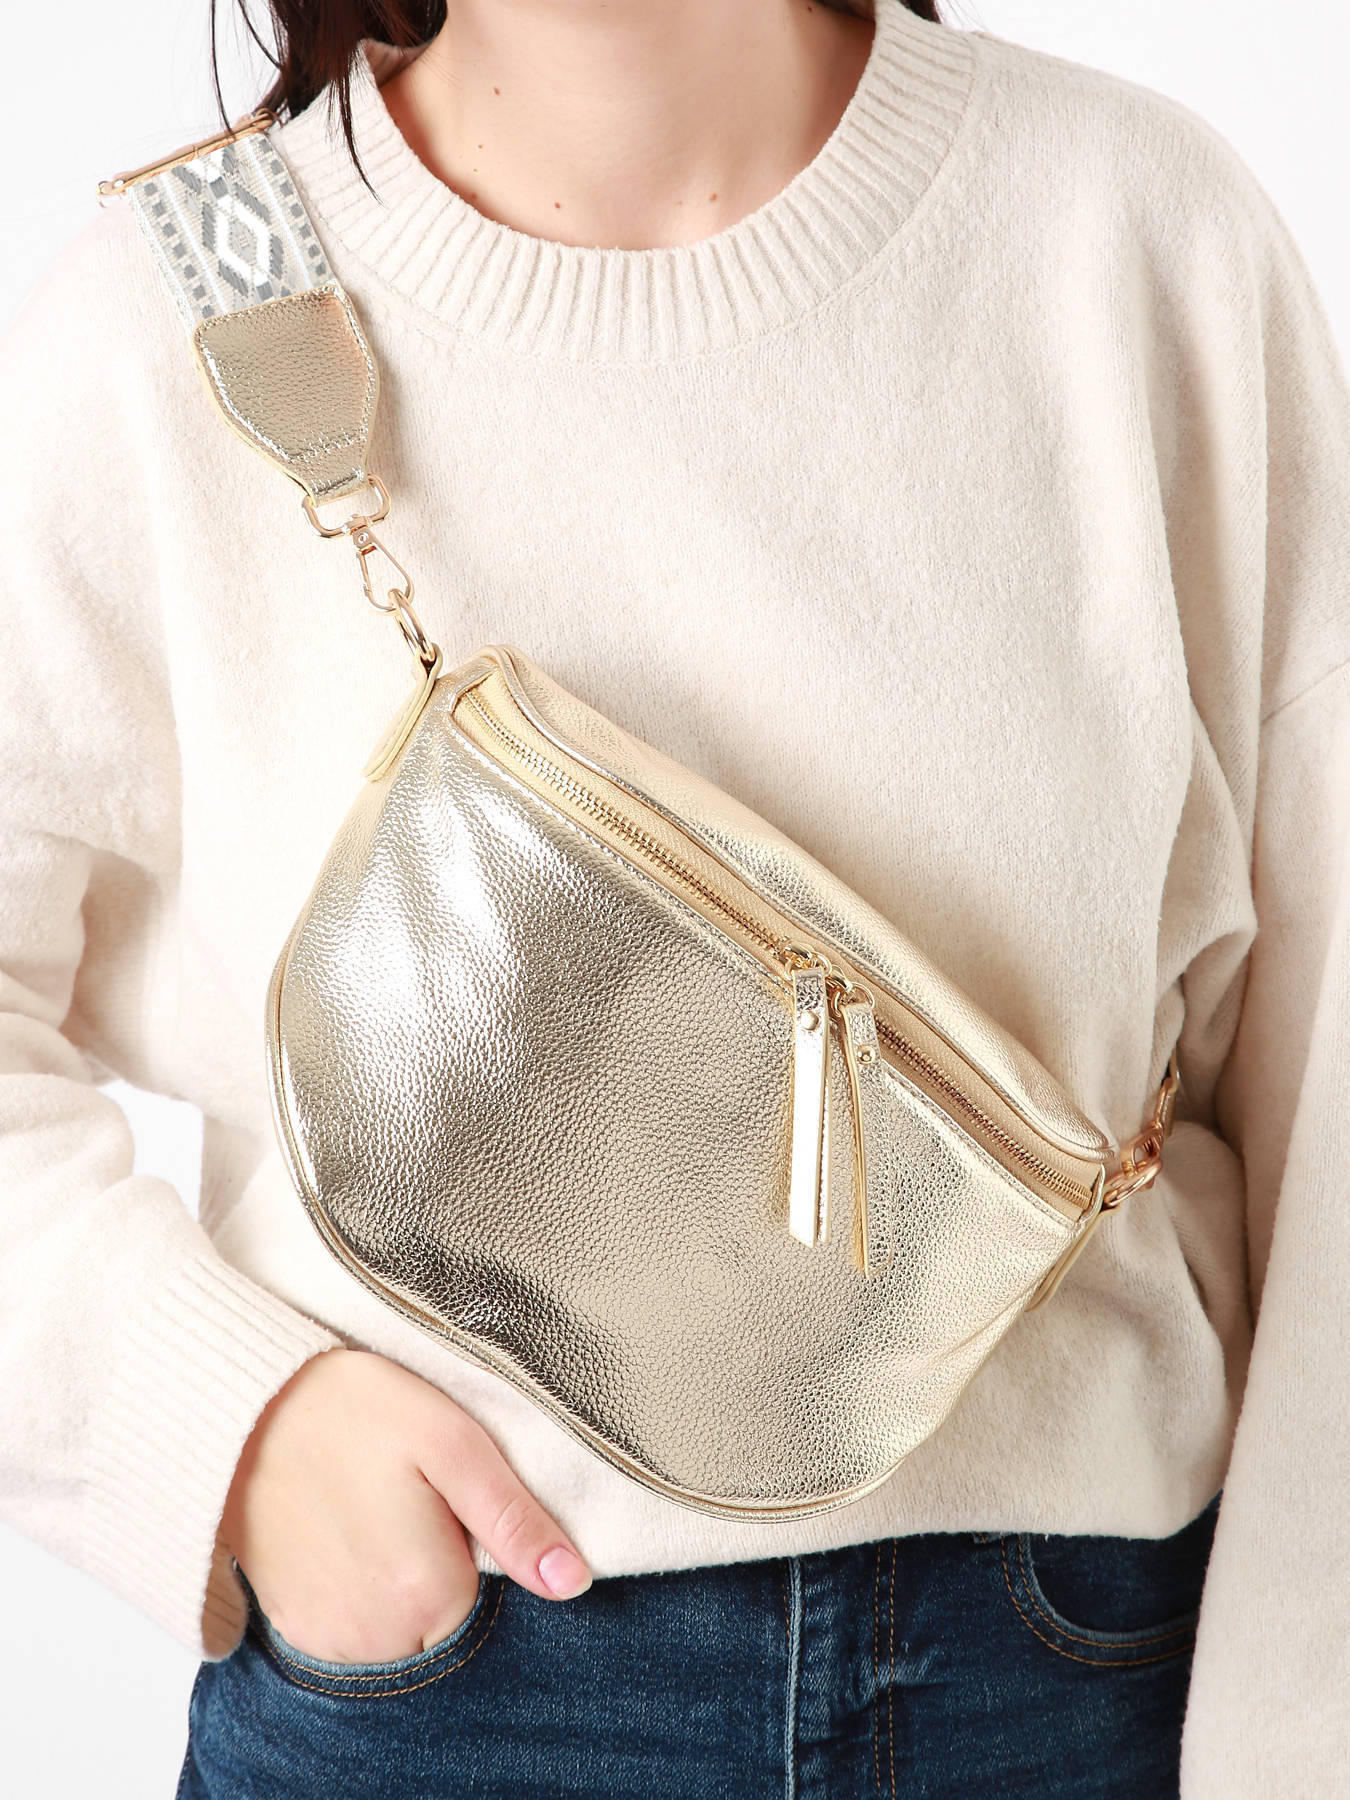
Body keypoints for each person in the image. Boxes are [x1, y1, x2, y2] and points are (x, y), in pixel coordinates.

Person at [1, 1, 1346, 1794]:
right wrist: (228, 1425)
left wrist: (1299, 1725)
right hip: (445, 1682)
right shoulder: (185, 302)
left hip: (1087, 1670)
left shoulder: (1132, 233)